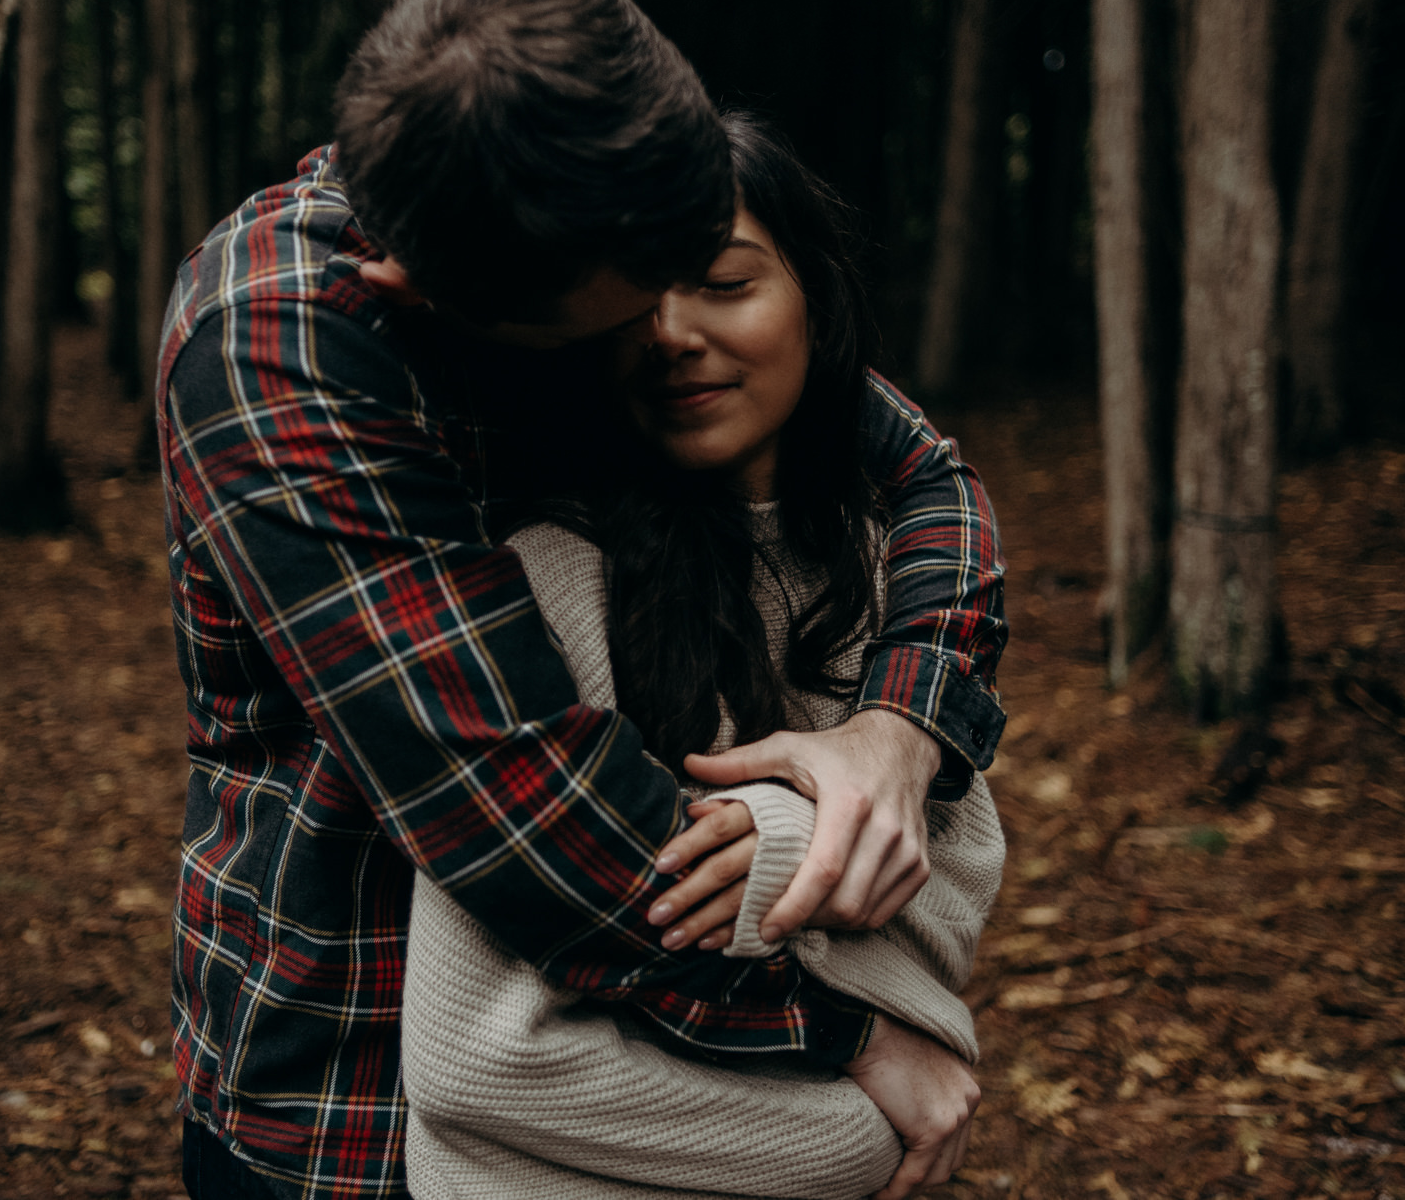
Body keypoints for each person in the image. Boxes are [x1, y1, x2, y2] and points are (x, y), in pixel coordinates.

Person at [157, 0, 1008, 1200]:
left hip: (665, 1081)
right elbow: (529, 818)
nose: (668, 332)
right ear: (435, 293)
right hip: (346, 1085)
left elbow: (928, 476)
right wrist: (853, 1036)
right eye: (629, 309)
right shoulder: (279, 351)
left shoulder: (593, 205)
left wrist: (901, 725)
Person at [400, 111, 1008, 1200]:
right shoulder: (545, 581)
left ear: (817, 304)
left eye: (726, 282)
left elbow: (950, 901)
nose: (670, 330)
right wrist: (849, 1137)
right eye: (632, 300)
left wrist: (778, 833)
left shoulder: (892, 575)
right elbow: (479, 1059)